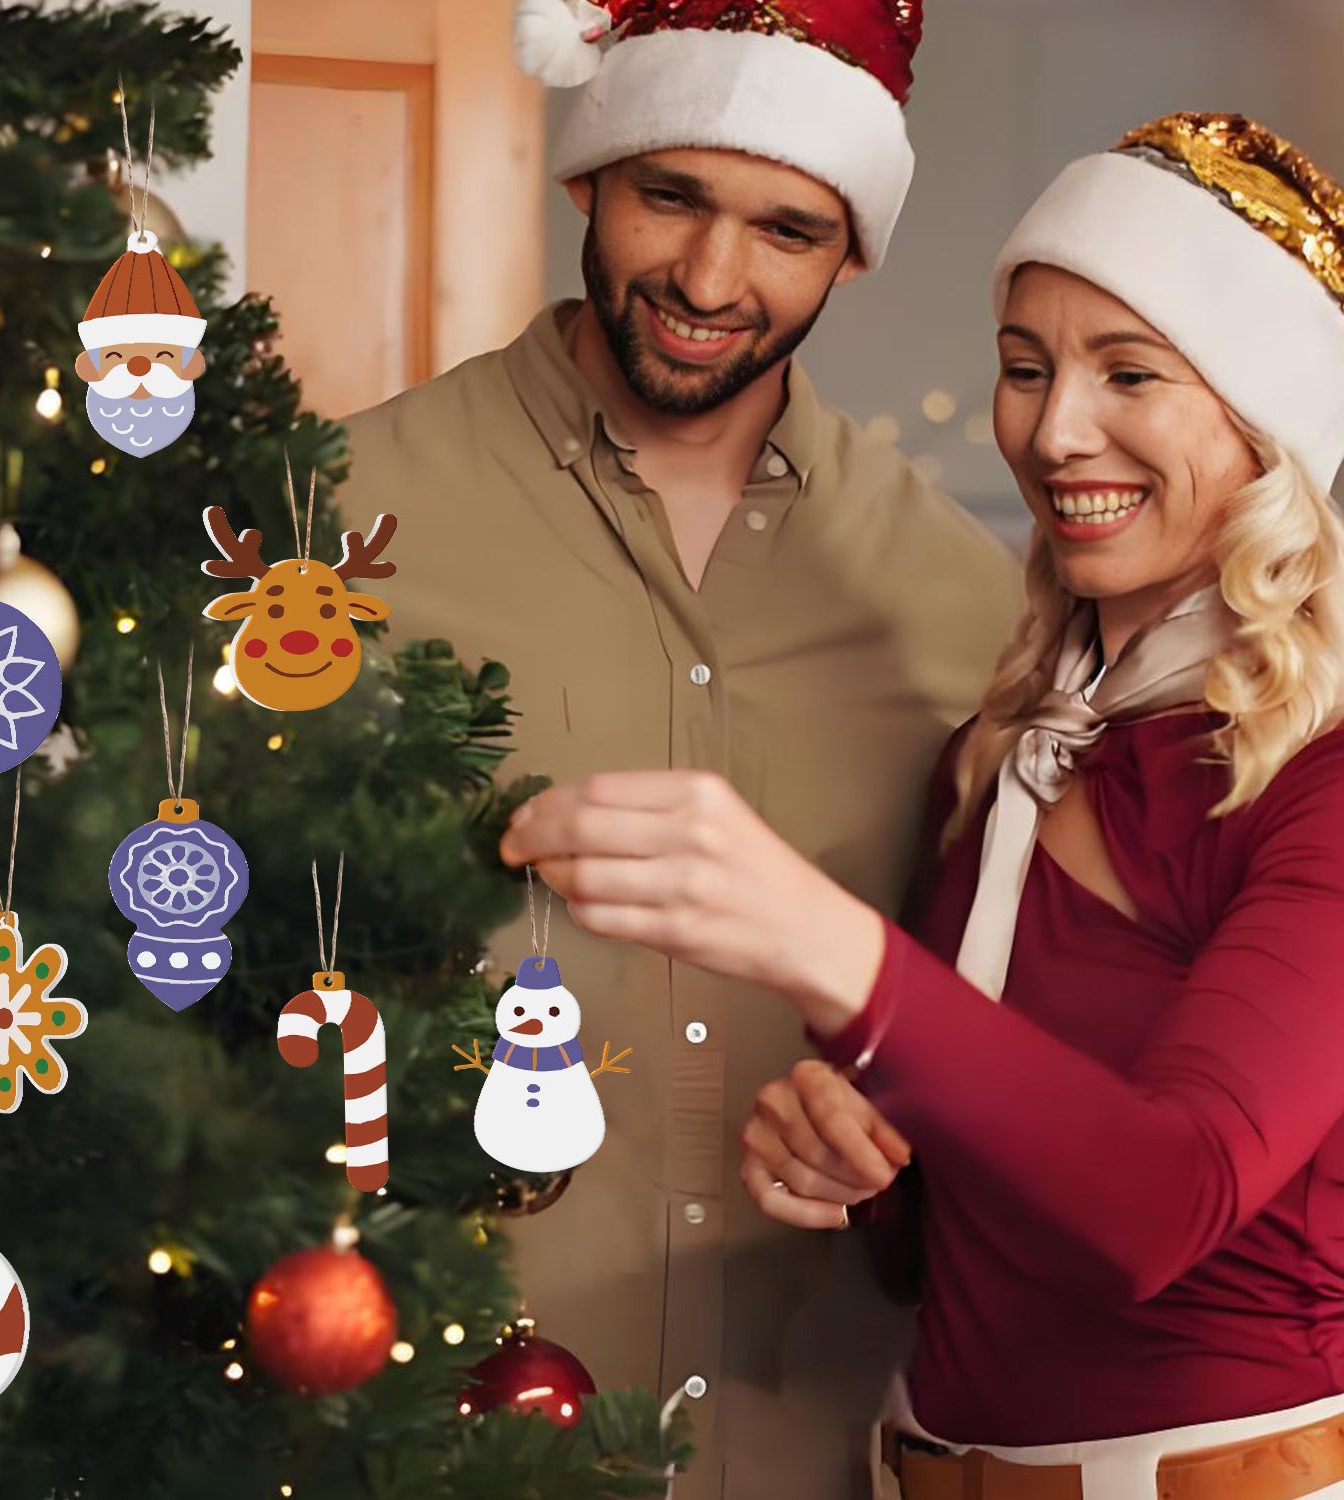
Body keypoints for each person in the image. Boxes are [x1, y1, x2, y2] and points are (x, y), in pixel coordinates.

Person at [500, 110, 1344, 1500]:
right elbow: (973, 1230)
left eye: (1129, 373)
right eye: (1025, 368)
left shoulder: (1315, 779)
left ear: (1265, 426)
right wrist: (863, 1164)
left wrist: (824, 946)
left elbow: (1160, 1203)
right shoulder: (1007, 755)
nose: (1053, 428)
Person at [340, 1, 1021, 1493]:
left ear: (850, 249)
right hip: (420, 1425)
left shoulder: (967, 607)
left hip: (820, 1436)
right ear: (588, 177)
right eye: (672, 198)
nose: (713, 279)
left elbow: (1013, 1030)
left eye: (786, 228)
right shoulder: (341, 527)